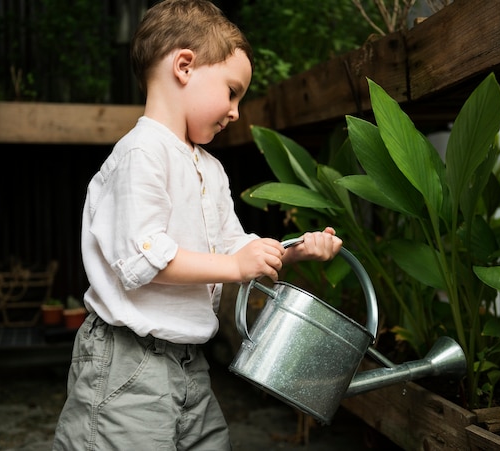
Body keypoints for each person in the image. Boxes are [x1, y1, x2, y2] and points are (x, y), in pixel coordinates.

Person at [52, 1, 342, 449]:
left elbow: (233, 249)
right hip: (127, 361)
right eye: (232, 91)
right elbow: (144, 260)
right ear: (184, 66)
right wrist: (237, 266)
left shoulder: (210, 168)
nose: (236, 112)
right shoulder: (141, 153)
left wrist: (294, 249)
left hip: (189, 364)